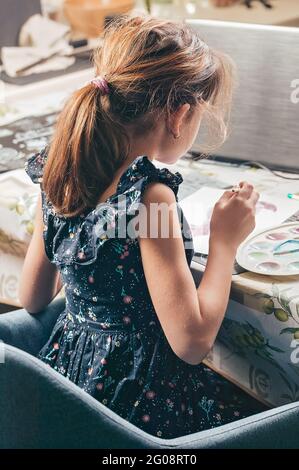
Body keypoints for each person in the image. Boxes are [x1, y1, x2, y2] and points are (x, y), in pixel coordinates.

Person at [20, 14, 267, 439]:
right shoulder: (150, 199)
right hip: (139, 407)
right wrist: (225, 241)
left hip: (69, 388)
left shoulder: (59, 168)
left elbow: (33, 297)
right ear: (180, 114)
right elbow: (191, 344)